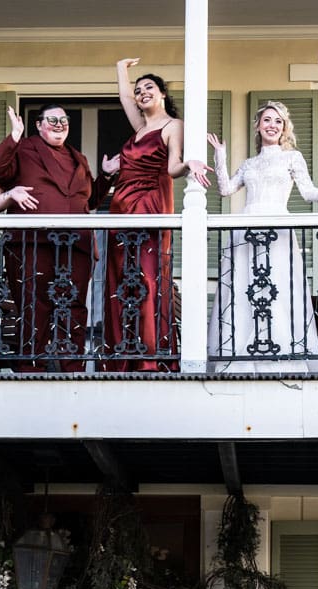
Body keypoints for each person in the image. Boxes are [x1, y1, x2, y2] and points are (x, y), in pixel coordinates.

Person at [206, 102, 318, 374]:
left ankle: (283, 353)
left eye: (277, 121)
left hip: (278, 228)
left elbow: (309, 192)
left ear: (284, 127)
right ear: (258, 126)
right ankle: (240, 354)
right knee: (244, 289)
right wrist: (220, 156)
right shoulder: (249, 163)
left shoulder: (293, 158)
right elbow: (226, 189)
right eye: (267, 120)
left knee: (277, 289)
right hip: (247, 227)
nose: (272, 125)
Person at [101, 59, 209, 372]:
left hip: (148, 205)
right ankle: (124, 354)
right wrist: (121, 68)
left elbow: (172, 167)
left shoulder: (173, 125)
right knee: (122, 280)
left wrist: (193, 162)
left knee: (146, 279)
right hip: (120, 207)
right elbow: (123, 98)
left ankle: (149, 357)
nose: (141, 92)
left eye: (149, 87)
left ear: (162, 94)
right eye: (138, 90)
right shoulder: (140, 127)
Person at [0, 102, 108, 371]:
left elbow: (88, 200)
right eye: (52, 120)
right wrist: (14, 136)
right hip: (32, 242)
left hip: (76, 244)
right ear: (39, 125)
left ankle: (71, 366)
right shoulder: (25, 148)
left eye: (63, 120)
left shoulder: (79, 158)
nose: (59, 125)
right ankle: (32, 368)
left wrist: (107, 175)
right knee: (32, 305)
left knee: (74, 306)